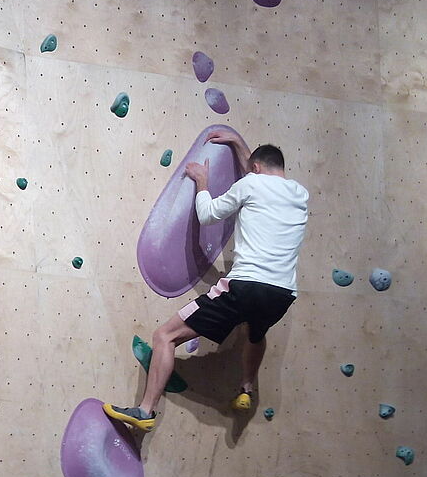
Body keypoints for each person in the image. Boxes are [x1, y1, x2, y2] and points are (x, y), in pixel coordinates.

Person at [104, 130, 308, 431]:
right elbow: (258, 174)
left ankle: (145, 411)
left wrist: (202, 183)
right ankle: (247, 387)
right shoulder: (299, 194)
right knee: (255, 332)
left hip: (245, 286)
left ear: (255, 168)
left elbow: (209, 215)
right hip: (282, 294)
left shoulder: (251, 183)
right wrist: (240, 144)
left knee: (165, 337)